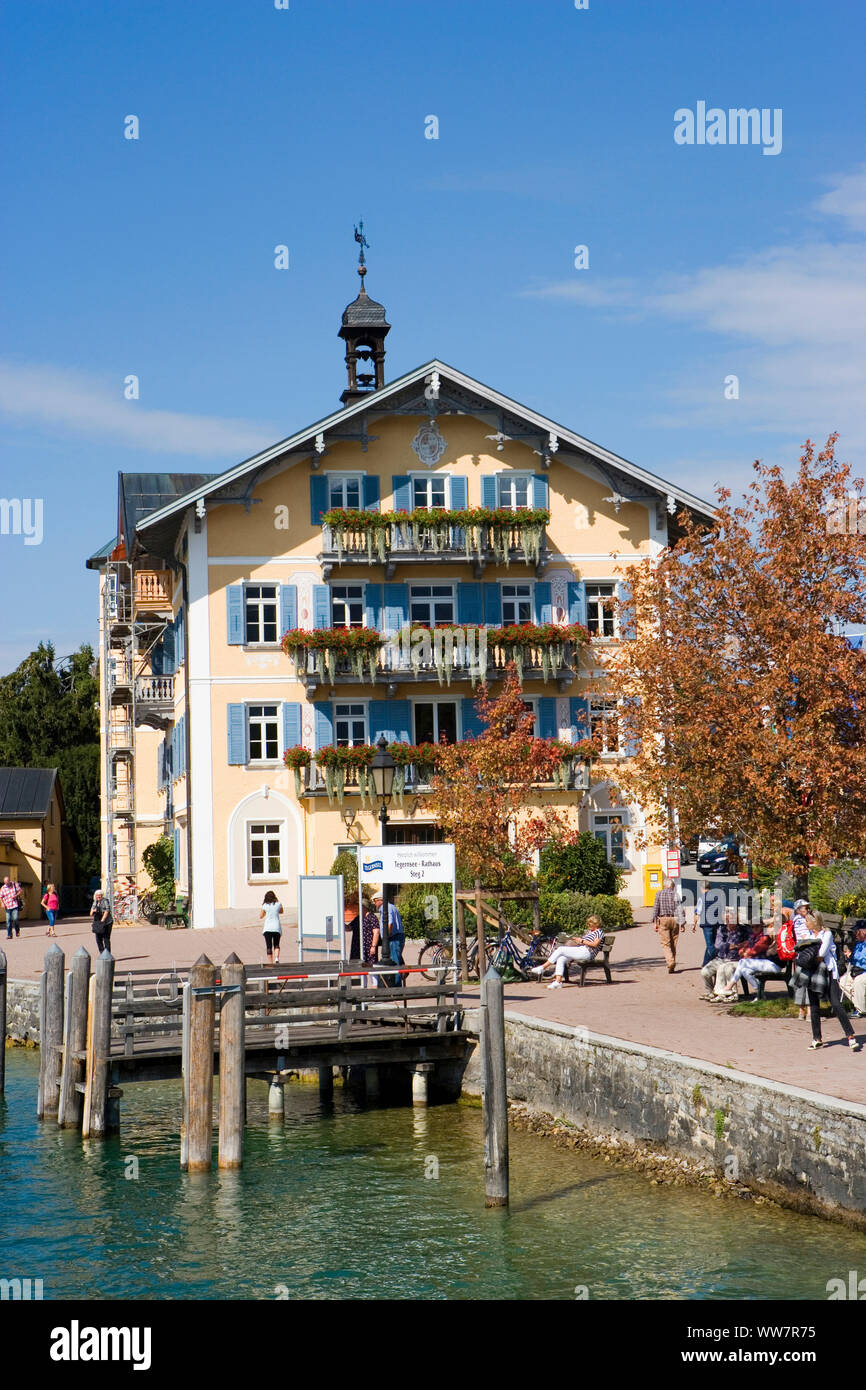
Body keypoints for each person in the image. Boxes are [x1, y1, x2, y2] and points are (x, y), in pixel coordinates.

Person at [794, 911, 861, 1051]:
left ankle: (851, 1036)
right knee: (813, 1005)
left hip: (828, 972)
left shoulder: (827, 934)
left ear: (814, 922)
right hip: (812, 972)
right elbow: (800, 953)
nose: (805, 923)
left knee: (836, 1004)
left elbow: (821, 953)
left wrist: (807, 954)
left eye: (807, 921)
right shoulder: (809, 936)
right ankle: (816, 1038)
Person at [531, 914, 604, 989]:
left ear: (596, 923)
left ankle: (543, 967)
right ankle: (558, 982)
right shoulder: (590, 932)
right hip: (581, 950)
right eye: (588, 924)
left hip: (587, 953)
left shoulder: (599, 932)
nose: (588, 925)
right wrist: (578, 940)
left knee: (561, 949)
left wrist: (582, 941)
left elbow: (595, 944)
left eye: (590, 924)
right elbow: (585, 942)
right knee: (561, 958)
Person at [699, 911, 747, 999]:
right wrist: (732, 946)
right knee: (705, 972)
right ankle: (710, 992)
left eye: (733, 919)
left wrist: (736, 946)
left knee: (728, 969)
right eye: (728, 920)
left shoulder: (743, 930)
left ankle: (732, 993)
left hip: (736, 959)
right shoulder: (722, 929)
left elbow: (748, 942)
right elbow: (718, 945)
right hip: (721, 958)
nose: (730, 922)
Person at [728, 923, 781, 1000]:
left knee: (743, 962)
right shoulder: (753, 937)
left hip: (773, 965)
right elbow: (743, 950)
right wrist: (744, 951)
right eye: (752, 927)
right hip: (764, 963)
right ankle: (760, 994)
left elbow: (754, 951)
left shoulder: (766, 938)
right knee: (744, 970)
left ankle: (730, 986)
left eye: (757, 926)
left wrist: (747, 952)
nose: (755, 928)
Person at [372, 888, 405, 987]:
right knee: (396, 960)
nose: (374, 904)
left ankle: (397, 987)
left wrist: (385, 938)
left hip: (393, 938)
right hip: (395, 937)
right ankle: (397, 983)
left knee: (394, 962)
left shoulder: (387, 908)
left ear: (380, 900)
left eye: (375, 901)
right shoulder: (389, 907)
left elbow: (390, 924)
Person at [652, 876, 684, 973]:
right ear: (671, 886)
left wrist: (655, 923)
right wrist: (682, 924)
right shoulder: (676, 894)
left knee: (665, 943)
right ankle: (672, 965)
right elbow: (680, 910)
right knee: (673, 943)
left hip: (663, 919)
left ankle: (670, 962)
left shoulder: (659, 893)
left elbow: (655, 909)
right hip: (675, 919)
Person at [839, 923, 866, 1018]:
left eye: (857, 931)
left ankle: (861, 1010)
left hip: (864, 972)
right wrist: (850, 956)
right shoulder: (858, 944)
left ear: (864, 932)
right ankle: (861, 1005)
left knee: (858, 981)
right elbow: (853, 961)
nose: (855, 934)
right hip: (857, 971)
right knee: (843, 981)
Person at [694, 879, 719, 967]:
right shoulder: (717, 897)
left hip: (707, 924)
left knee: (710, 944)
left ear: (702, 888)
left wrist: (694, 925)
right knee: (711, 943)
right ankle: (705, 963)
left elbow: (698, 912)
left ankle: (718, 959)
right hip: (716, 923)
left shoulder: (702, 898)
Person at [260, 890, 283, 964]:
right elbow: (281, 911)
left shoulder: (265, 905)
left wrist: (266, 913)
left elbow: (261, 916)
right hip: (276, 927)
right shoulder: (278, 904)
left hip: (268, 928)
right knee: (276, 944)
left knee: (269, 946)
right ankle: (276, 958)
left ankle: (271, 962)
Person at [344, 895, 361, 961]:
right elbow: (349, 928)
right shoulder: (357, 918)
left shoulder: (370, 918)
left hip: (364, 945)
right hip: (356, 944)